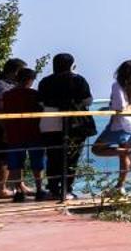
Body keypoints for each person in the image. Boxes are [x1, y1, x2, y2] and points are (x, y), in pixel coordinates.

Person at [37, 53, 94, 200]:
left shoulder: (46, 81)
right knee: (71, 158)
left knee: (52, 156)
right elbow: (87, 100)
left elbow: (41, 102)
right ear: (71, 65)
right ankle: (67, 189)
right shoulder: (78, 80)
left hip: (50, 122)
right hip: (74, 124)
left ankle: (53, 188)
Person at [91, 59, 131, 190]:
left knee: (96, 149)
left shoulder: (117, 85)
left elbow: (119, 106)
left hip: (120, 125)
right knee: (123, 157)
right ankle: (120, 186)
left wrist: (110, 107)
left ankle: (128, 152)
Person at [0, 65, 45, 201]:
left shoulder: (7, 95)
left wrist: (5, 130)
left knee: (16, 163)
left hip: (14, 132)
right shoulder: (34, 95)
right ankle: (39, 189)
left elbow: (4, 113)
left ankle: (18, 191)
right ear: (30, 80)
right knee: (37, 162)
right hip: (33, 132)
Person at [0, 57, 28, 198]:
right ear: (16, 72)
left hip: (14, 125)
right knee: (4, 157)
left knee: (17, 156)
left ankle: (19, 184)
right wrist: (5, 129)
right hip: (0, 126)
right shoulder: (0, 85)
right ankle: (1, 189)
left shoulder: (14, 85)